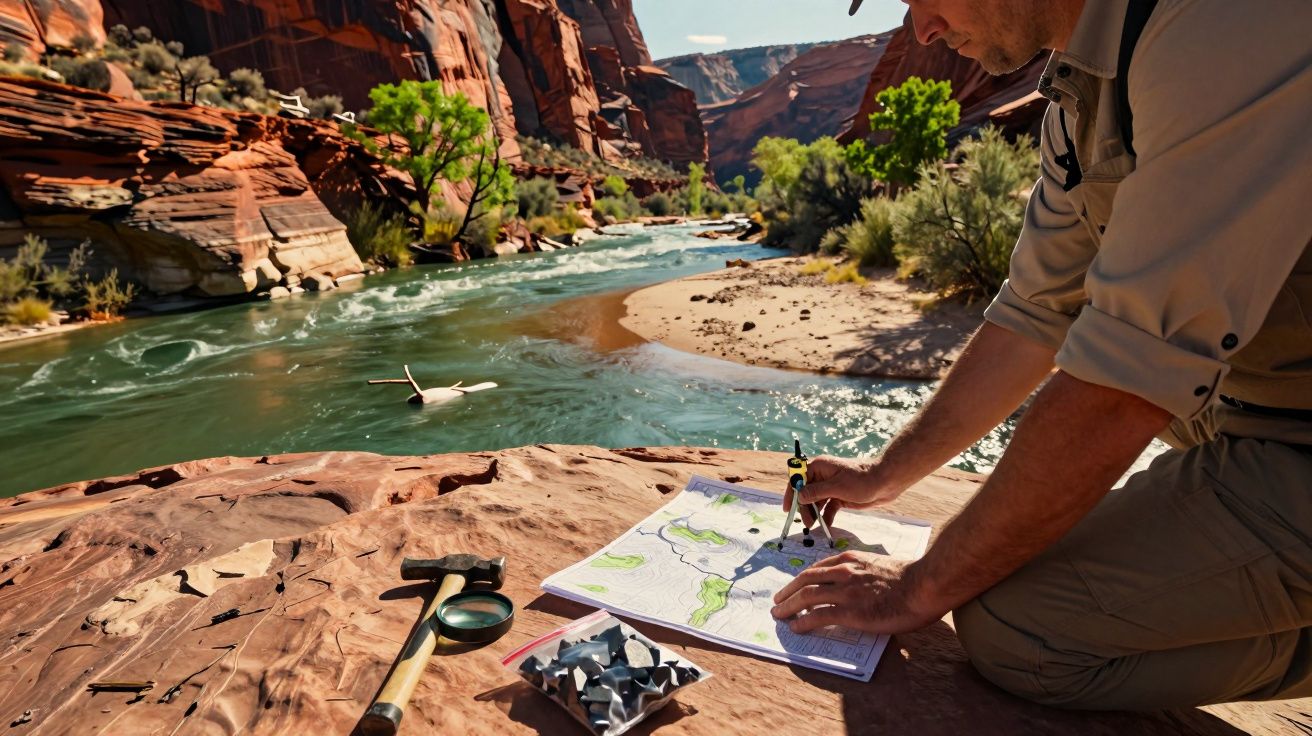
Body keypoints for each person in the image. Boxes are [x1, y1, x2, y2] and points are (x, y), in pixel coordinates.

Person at [771, 0, 1312, 709]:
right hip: (1251, 427)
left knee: (1016, 626)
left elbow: (1125, 378)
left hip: (1287, 442)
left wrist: (916, 585)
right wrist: (883, 473)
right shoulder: (1077, 96)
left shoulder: (1221, 25)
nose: (922, 30)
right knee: (993, 568)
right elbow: (1034, 316)